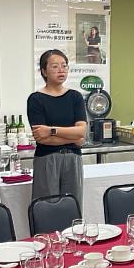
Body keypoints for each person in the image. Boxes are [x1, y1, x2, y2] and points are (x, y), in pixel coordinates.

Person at [27, 49, 86, 205]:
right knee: (47, 207)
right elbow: (42, 138)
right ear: (44, 71)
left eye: (64, 65)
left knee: (73, 206)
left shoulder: (75, 97)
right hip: (47, 160)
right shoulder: (36, 99)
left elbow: (81, 132)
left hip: (74, 159)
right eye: (55, 66)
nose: (61, 70)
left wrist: (51, 130)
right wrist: (72, 137)